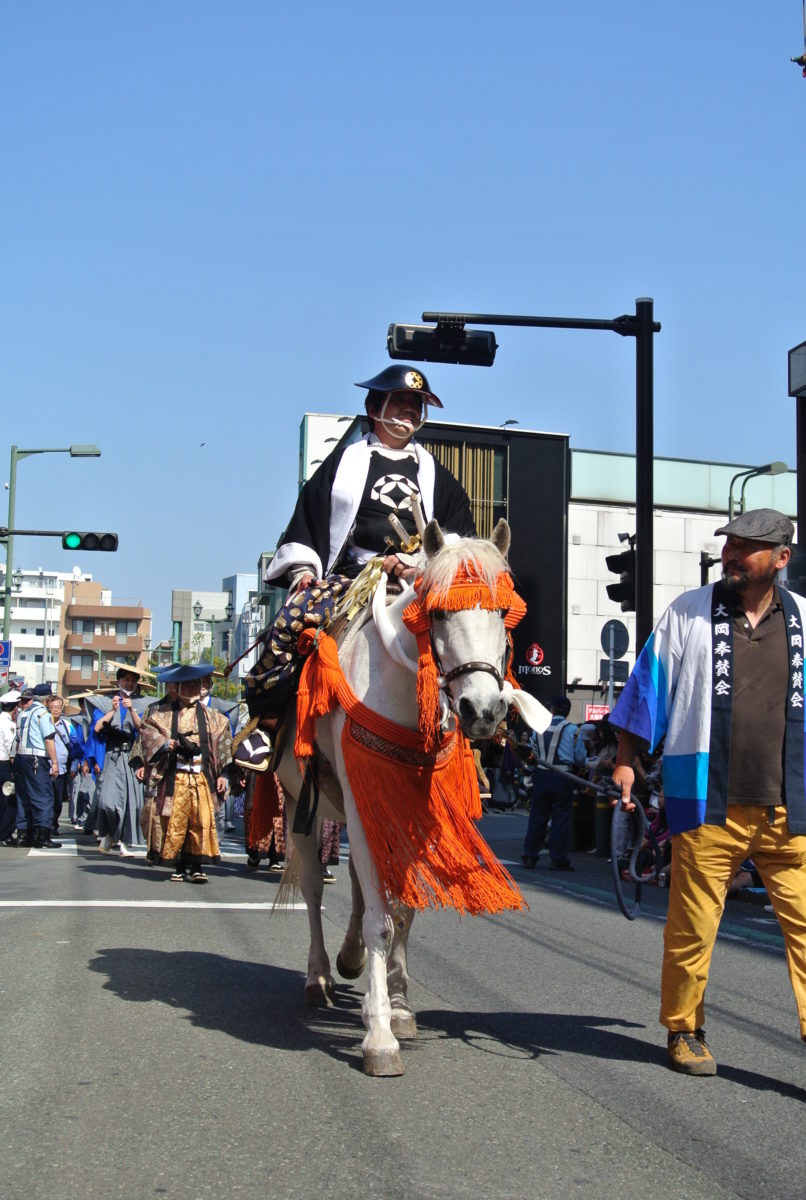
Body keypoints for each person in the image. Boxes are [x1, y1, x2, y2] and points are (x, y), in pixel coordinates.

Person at [609, 508, 806, 1076]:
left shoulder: (804, 622)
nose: (733, 554)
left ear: (781, 559)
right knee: (692, 925)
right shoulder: (688, 614)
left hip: (789, 806)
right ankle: (684, 1029)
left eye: (748, 547)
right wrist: (626, 761)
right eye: (730, 544)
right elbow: (648, 689)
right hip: (706, 799)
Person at [246, 364, 476, 719]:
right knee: (291, 623)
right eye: (399, 401)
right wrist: (303, 571)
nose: (409, 410)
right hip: (353, 578)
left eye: (416, 404)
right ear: (373, 408)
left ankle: (479, 727)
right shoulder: (342, 465)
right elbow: (310, 520)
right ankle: (269, 723)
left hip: (420, 581)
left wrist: (416, 565)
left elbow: (457, 537)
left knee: (473, 634)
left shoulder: (439, 477)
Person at [138, 662, 232, 883]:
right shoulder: (160, 714)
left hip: (201, 776)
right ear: (176, 688)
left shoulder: (215, 717)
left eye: (195, 685)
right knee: (174, 821)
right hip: (175, 775)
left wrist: (223, 775)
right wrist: (165, 743)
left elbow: (225, 747)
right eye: (186, 686)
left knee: (201, 820)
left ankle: (198, 865)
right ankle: (178, 864)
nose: (191, 689)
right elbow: (147, 733)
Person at [521, 695, 587, 870]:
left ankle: (530, 855)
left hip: (541, 775)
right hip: (563, 776)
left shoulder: (539, 728)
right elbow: (580, 758)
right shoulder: (573, 729)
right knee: (561, 818)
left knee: (537, 816)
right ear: (567, 712)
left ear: (552, 710)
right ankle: (557, 859)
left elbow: (532, 753)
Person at [93, 667, 147, 857]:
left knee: (130, 802)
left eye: (133, 680)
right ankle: (109, 833)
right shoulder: (105, 702)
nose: (129, 683)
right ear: (118, 682)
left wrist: (131, 709)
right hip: (111, 756)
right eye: (125, 680)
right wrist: (112, 710)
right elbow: (98, 728)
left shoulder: (141, 704)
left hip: (131, 756)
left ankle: (124, 841)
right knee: (107, 802)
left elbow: (143, 729)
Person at [11, 686, 61, 849]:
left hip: (20, 758)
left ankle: (23, 835)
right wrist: (54, 762)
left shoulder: (22, 714)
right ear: (47, 699)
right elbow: (49, 739)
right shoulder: (43, 714)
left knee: (23, 797)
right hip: (36, 758)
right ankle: (42, 836)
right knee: (43, 797)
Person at [46, 694, 75, 834]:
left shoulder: (67, 725)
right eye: (52, 707)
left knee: (58, 800)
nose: (55, 710)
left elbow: (75, 745)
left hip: (62, 768)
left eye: (58, 707)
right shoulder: (43, 723)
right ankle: (46, 825)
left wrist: (75, 764)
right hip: (45, 766)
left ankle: (54, 823)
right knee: (46, 798)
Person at [0, 690, 20, 844]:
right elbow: (10, 747)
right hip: (4, 764)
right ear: (15, 708)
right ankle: (5, 834)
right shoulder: (8, 725)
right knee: (10, 800)